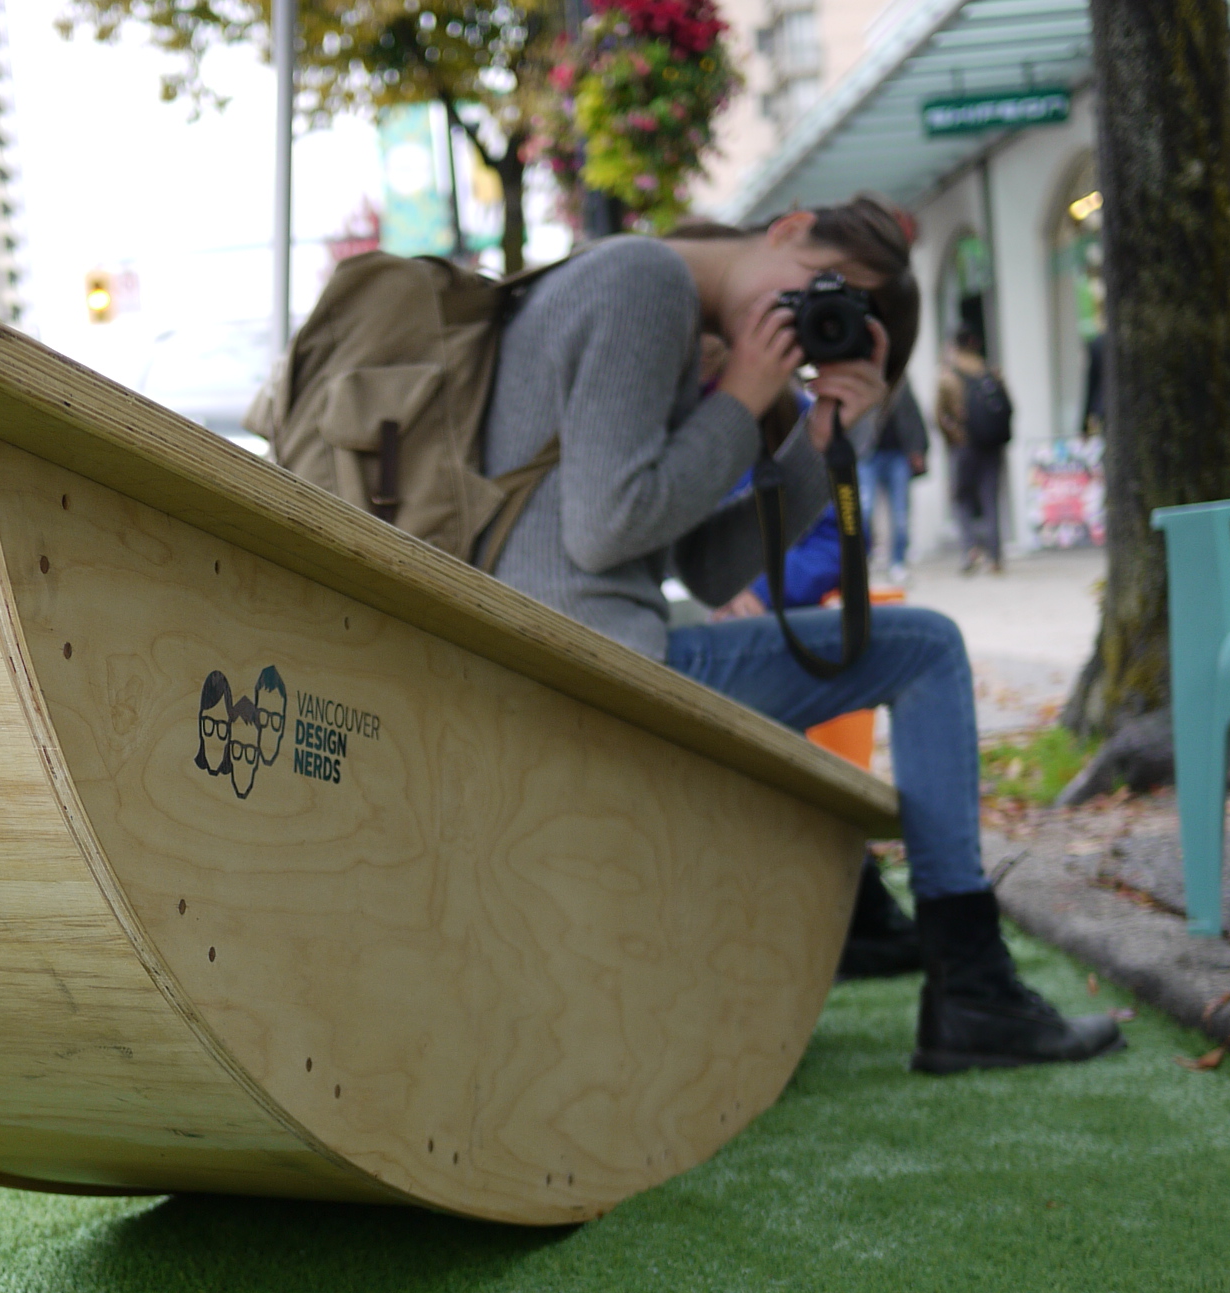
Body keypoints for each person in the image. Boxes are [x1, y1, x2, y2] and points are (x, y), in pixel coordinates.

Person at [479, 198, 1120, 1074]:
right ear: (786, 226)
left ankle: (880, 928)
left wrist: (819, 442)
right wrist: (743, 396)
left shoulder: (632, 282)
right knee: (926, 648)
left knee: (891, 646)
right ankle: (971, 988)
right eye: (820, 285)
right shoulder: (645, 278)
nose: (800, 314)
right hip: (592, 663)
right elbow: (606, 528)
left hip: (569, 650)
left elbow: (698, 567)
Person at [934, 330, 1011, 575]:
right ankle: (995, 557)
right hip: (991, 445)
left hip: (964, 445)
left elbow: (938, 415)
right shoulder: (990, 372)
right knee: (990, 498)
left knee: (962, 498)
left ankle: (970, 550)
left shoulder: (948, 376)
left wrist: (953, 438)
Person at [861, 379, 929, 586]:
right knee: (864, 510)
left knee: (900, 515)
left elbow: (914, 416)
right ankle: (863, 558)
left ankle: (898, 563)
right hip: (867, 455)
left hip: (898, 456)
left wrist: (918, 449)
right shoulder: (861, 379)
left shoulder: (900, 382)